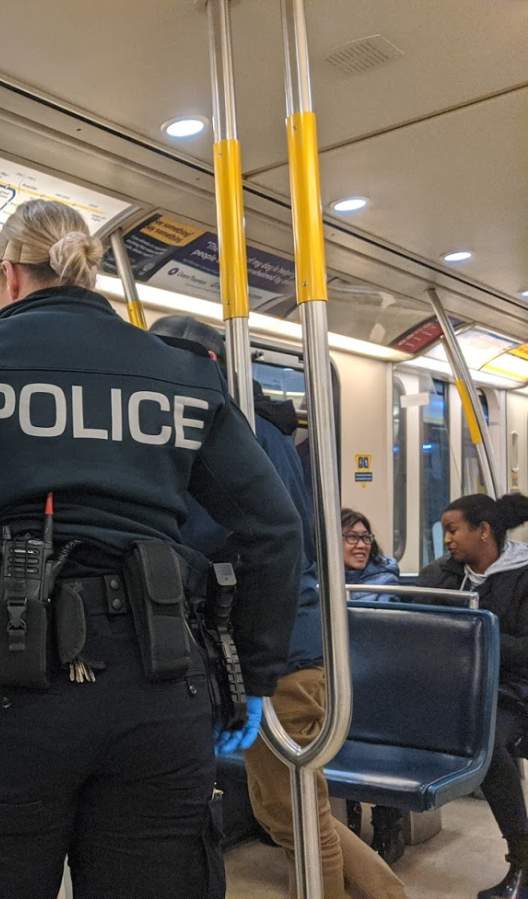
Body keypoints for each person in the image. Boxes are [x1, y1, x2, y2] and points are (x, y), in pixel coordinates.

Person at [0, 198, 304, 898]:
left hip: (6, 682)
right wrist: (256, 670)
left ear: (8, 274)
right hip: (161, 681)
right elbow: (275, 527)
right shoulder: (183, 374)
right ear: (87, 272)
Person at [150, 317, 408, 899]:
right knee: (293, 808)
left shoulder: (226, 432)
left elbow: (214, 538)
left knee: (293, 814)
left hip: (277, 649)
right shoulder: (264, 428)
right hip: (293, 637)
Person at [417, 493, 528, 899]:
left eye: (453, 530)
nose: (447, 539)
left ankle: (523, 858)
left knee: (488, 741)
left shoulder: (523, 576)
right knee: (400, 718)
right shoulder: (443, 575)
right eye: (444, 531)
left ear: (483, 531)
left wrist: (478, 636)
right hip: (457, 688)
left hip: (513, 690)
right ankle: (389, 829)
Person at [342, 508, 401, 603]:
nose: (362, 545)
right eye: (352, 537)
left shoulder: (385, 582)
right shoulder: (319, 580)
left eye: (366, 537)